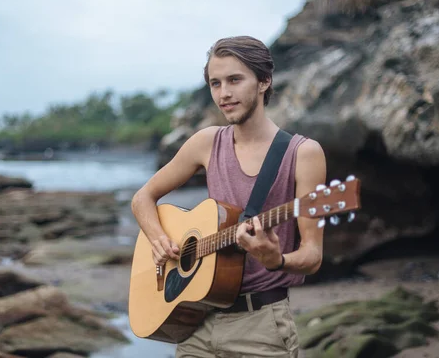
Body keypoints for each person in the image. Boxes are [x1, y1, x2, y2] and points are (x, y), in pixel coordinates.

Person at [131, 35, 327, 357]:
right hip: (197, 319)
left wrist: (276, 260)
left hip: (261, 328)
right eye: (215, 83)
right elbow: (143, 198)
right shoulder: (206, 142)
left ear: (264, 81)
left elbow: (312, 256)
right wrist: (159, 240)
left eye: (235, 80)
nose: (224, 94)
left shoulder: (302, 153)